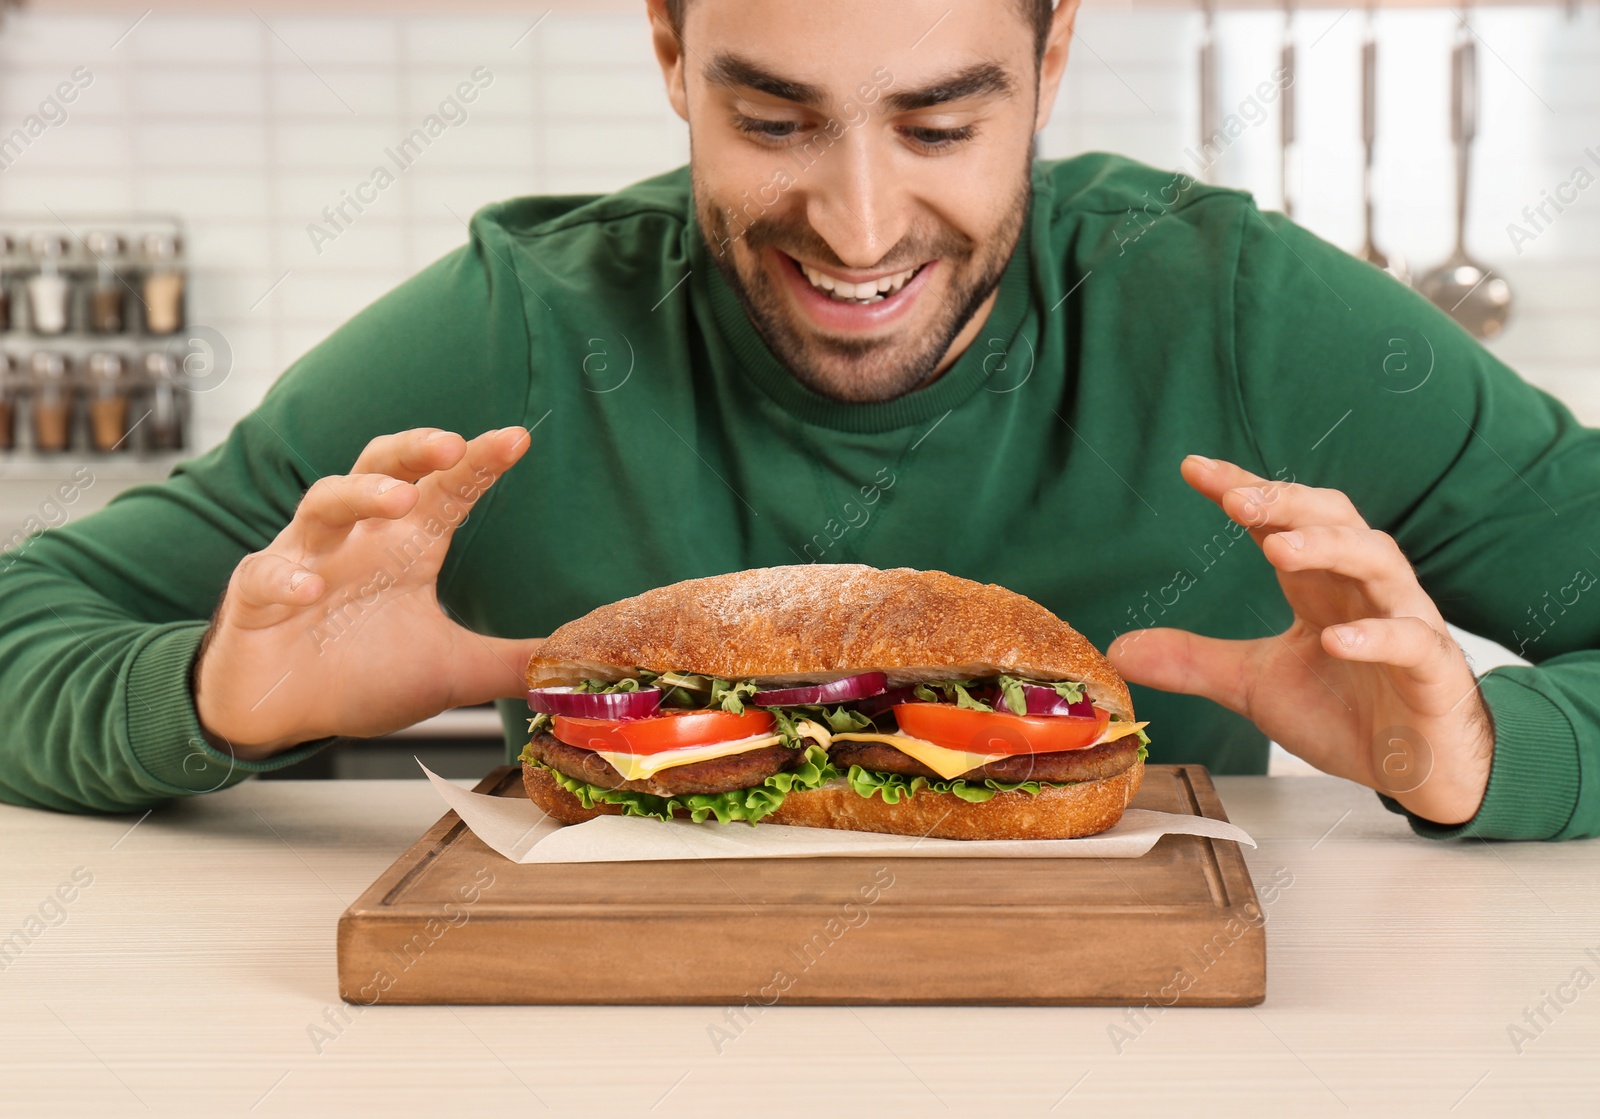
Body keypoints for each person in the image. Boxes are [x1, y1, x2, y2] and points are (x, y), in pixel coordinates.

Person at [1, 0, 1595, 840]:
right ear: (669, 52)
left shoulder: (1244, 313)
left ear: (1049, 60)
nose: (854, 225)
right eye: (771, 119)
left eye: (940, 121)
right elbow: (27, 622)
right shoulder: (521, 326)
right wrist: (211, 695)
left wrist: (1480, 753)